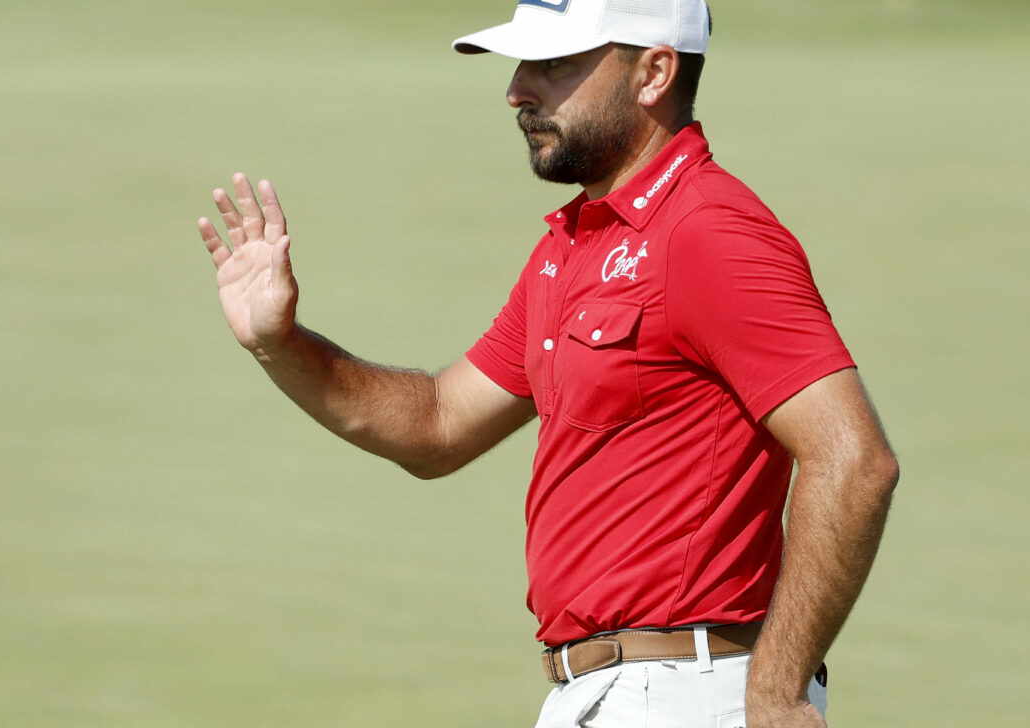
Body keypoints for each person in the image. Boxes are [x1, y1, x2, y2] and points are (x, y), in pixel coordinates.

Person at [196, 1, 899, 726]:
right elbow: (438, 425)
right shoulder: (571, 248)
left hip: (692, 691)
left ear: (654, 71)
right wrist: (281, 344)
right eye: (523, 64)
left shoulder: (708, 232)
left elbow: (853, 460)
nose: (518, 90)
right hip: (603, 692)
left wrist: (777, 693)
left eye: (556, 64)